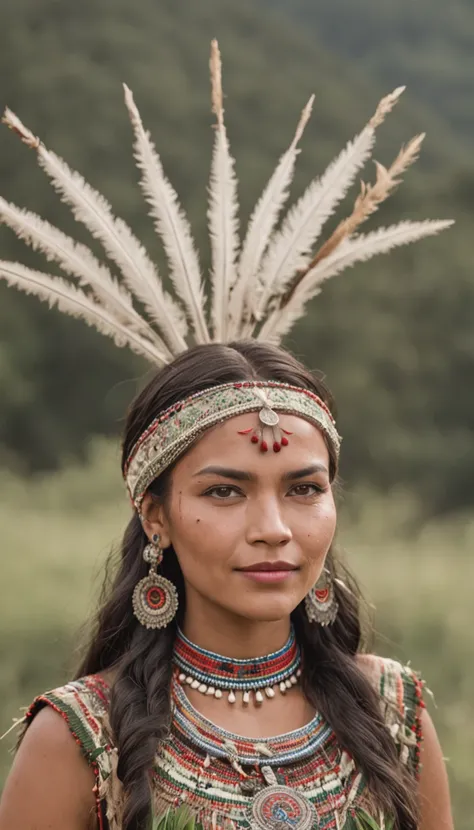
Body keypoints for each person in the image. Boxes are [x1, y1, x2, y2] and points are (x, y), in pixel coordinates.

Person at [0, 41, 453, 830]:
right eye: (224, 491)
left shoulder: (395, 716)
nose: (274, 529)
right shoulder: (81, 739)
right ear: (155, 513)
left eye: (305, 488)